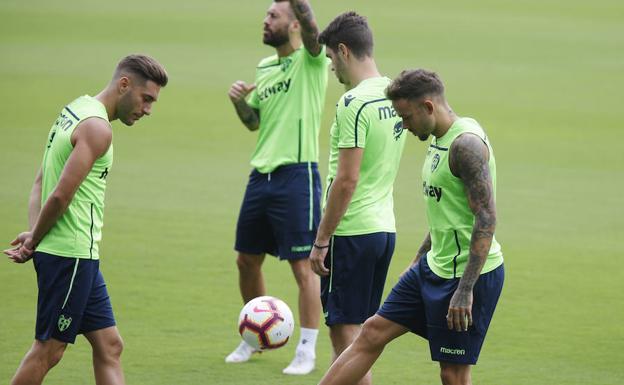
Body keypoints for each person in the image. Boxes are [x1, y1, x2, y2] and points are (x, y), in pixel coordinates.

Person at [317, 69, 505, 385]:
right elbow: (450, 214)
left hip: (466, 276)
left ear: (428, 107)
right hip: (433, 267)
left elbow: (485, 218)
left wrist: (465, 289)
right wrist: (418, 260)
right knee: (372, 332)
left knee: (453, 373)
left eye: (406, 117)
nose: (403, 126)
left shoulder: (466, 146)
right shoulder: (439, 138)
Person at [4, 54, 168, 385]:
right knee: (49, 350)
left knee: (110, 346)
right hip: (71, 254)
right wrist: (35, 239)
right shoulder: (98, 129)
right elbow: (60, 194)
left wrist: (36, 234)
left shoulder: (76, 109)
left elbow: (40, 180)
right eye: (146, 98)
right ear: (124, 84)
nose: (148, 109)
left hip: (75, 254)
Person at [225, 0, 329, 375]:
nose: (265, 21)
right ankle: (255, 336)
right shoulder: (265, 67)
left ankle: (306, 349)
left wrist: (301, 6)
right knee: (246, 260)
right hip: (261, 176)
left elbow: (316, 32)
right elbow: (254, 122)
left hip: (297, 175)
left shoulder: (313, 60)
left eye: (273, 16)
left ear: (295, 24)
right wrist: (239, 103)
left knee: (304, 268)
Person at [308, 12, 406, 385]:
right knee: (361, 339)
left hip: (351, 232)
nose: (332, 68)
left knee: (347, 341)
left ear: (344, 51)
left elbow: (346, 180)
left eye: (332, 59)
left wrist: (321, 241)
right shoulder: (395, 94)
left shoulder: (354, 103)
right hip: (384, 230)